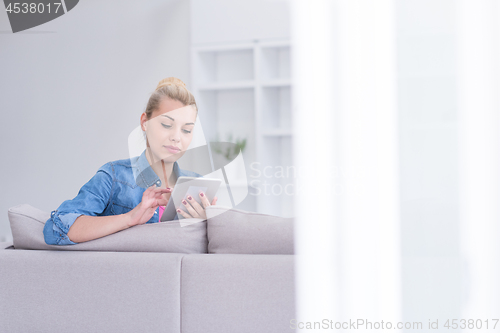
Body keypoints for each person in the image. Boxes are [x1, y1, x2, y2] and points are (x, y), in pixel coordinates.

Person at [43, 77, 217, 245]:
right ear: (144, 122)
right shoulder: (113, 177)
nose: (176, 137)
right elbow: (56, 229)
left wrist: (207, 227)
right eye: (166, 125)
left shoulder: (197, 186)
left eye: (187, 130)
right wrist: (130, 218)